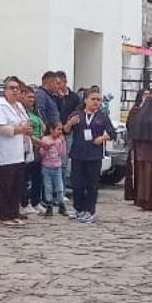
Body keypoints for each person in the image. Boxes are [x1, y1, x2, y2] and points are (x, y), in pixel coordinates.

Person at [65, 90, 116, 223]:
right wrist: (70, 123)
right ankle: (78, 209)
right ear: (86, 100)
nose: (96, 102)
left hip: (94, 155)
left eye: (98, 100)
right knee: (77, 183)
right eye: (93, 99)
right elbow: (65, 130)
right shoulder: (77, 114)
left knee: (92, 184)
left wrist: (102, 138)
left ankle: (90, 211)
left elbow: (112, 133)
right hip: (78, 154)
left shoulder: (102, 116)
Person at [0, 77, 32, 226]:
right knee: (6, 185)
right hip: (6, 151)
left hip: (19, 151)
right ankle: (3, 215)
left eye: (17, 88)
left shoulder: (19, 107)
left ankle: (14, 212)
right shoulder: (0, 107)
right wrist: (19, 129)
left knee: (17, 184)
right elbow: (0, 128)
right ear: (5, 91)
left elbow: (26, 122)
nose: (15, 91)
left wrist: (26, 129)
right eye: (12, 88)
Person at [20, 85, 45, 215]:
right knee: (25, 176)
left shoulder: (35, 112)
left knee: (37, 176)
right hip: (30, 146)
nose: (32, 99)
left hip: (39, 148)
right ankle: (25, 202)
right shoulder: (23, 113)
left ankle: (36, 201)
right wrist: (40, 142)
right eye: (29, 97)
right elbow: (28, 133)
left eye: (33, 97)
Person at [38, 122, 67, 217]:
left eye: (61, 130)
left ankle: (61, 205)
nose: (60, 132)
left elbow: (62, 154)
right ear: (51, 130)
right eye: (58, 129)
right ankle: (49, 205)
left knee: (59, 187)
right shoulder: (45, 139)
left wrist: (63, 143)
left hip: (57, 167)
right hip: (46, 167)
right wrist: (46, 148)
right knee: (48, 187)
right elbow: (41, 153)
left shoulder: (59, 140)